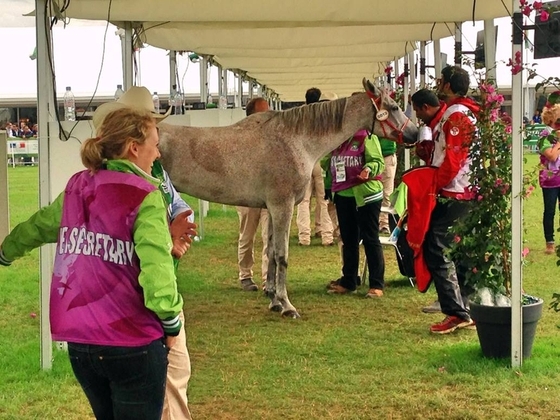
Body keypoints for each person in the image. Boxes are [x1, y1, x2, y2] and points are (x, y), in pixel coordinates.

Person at [0, 107, 184, 419]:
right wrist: (171, 319)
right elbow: (157, 268)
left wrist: (6, 251)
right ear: (133, 147)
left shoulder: (78, 185)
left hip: (80, 343)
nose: (157, 152)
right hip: (132, 342)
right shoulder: (145, 195)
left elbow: (39, 226)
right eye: (154, 144)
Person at [93, 85, 196, 420]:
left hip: (154, 295)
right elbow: (119, 245)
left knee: (173, 381)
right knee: (168, 385)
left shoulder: (153, 173)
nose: (158, 148)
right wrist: (167, 240)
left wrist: (180, 223)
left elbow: (177, 204)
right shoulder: (109, 183)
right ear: (133, 142)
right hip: (142, 305)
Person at [411, 66, 480, 334]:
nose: (438, 84)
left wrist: (433, 187)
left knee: (436, 247)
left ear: (449, 86)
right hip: (460, 190)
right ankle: (464, 306)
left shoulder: (457, 116)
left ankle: (456, 311)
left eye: (441, 81)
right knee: (456, 248)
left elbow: (453, 162)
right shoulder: (458, 113)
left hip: (455, 191)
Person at [324, 126, 386, 298]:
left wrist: (368, 169)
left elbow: (378, 162)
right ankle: (349, 281)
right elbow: (329, 164)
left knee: (370, 238)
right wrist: (328, 186)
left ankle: (376, 284)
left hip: (366, 194)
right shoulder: (337, 139)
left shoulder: (367, 137)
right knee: (348, 239)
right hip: (343, 194)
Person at [236, 97, 270, 291]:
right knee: (247, 236)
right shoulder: (240, 137)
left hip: (267, 194)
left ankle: (268, 278)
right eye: (264, 111)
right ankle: (245, 275)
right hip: (247, 194)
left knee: (269, 237)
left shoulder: (273, 135)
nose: (268, 115)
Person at [296, 89, 334, 246]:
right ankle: (327, 236)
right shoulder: (324, 118)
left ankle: (304, 237)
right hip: (321, 160)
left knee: (303, 201)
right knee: (323, 200)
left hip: (305, 162)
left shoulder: (300, 117)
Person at [539, 99, 560, 254]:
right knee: (550, 210)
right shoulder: (545, 134)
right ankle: (549, 243)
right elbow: (551, 156)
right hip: (550, 179)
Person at [378, 137, 397, 234]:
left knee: (387, 193)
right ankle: (379, 222)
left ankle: (385, 223)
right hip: (373, 157)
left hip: (386, 156)